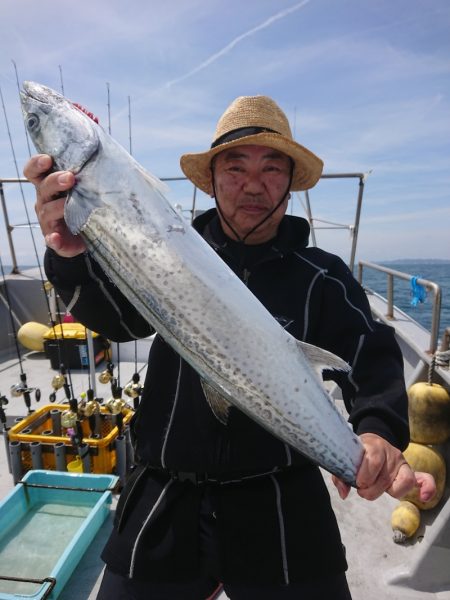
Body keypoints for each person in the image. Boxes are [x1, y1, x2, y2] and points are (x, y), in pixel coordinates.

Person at [25, 95, 435, 600]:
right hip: (164, 494)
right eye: (235, 167)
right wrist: (70, 258)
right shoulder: (160, 247)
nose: (253, 185)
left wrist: (377, 432)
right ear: (212, 179)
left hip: (282, 499)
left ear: (289, 182)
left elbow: (369, 356)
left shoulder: (323, 277)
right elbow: (117, 319)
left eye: (271, 168)